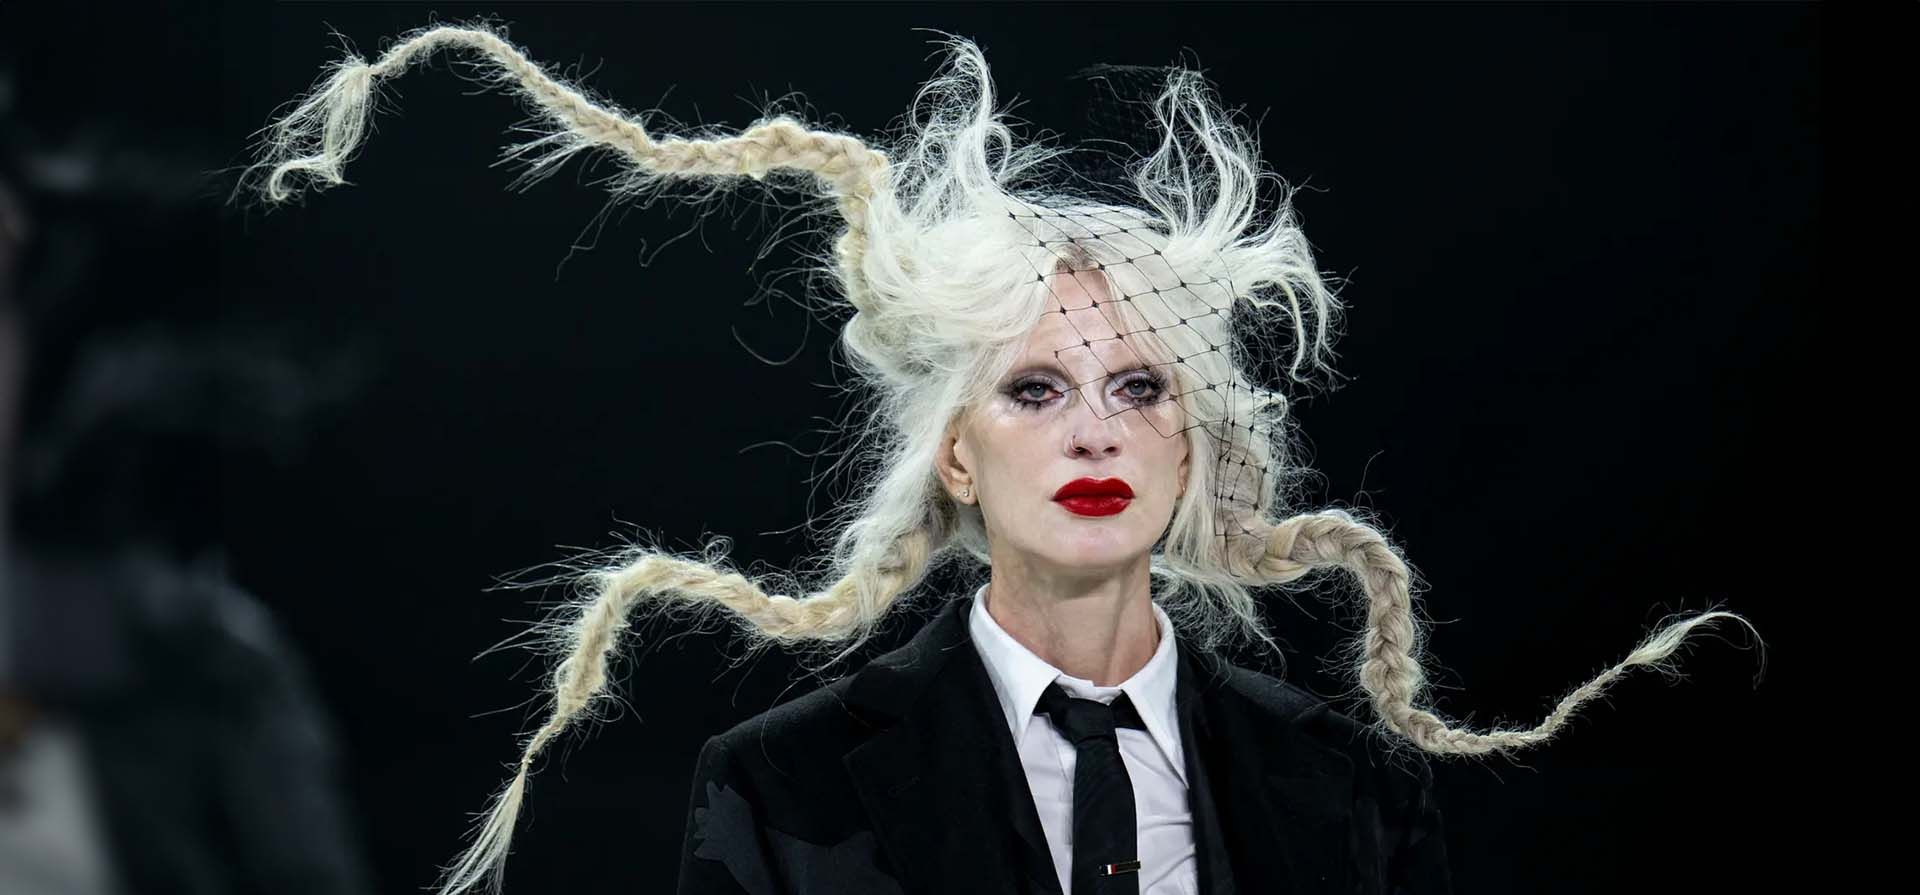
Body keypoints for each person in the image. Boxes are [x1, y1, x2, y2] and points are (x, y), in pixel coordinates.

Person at [239, 22, 1757, 895]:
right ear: (955, 456)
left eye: (1142, 387)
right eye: (1034, 387)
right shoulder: (781, 794)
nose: (1095, 426)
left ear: (1194, 445)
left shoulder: (1354, 792)